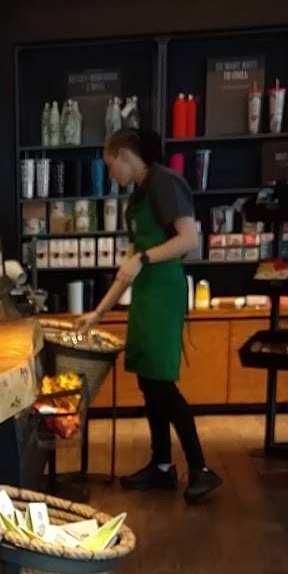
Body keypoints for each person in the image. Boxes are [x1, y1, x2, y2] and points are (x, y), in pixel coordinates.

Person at [80, 129, 221, 504]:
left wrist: (143, 258)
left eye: (111, 165)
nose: (111, 174)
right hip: (145, 293)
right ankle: (161, 465)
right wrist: (98, 313)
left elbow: (188, 239)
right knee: (148, 381)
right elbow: (128, 268)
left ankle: (201, 468)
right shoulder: (138, 196)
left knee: (161, 383)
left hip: (164, 292)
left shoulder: (165, 182)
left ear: (126, 155)